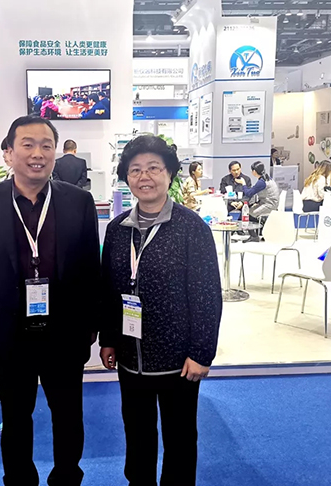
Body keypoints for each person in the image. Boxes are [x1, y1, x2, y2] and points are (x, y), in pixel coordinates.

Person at [0, 115, 101, 486]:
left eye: (46, 145)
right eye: (27, 145)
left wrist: (93, 325)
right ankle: (19, 479)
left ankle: (67, 477)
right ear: (8, 153)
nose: (38, 153)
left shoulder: (79, 201)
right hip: (9, 331)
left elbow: (91, 266)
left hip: (65, 331)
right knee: (15, 415)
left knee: (68, 414)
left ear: (55, 152)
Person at [99, 134, 222, 486]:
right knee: (137, 433)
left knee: (179, 437)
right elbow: (109, 290)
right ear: (126, 177)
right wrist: (109, 339)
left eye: (154, 168)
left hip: (178, 360)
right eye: (135, 170)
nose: (145, 177)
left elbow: (207, 295)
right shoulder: (117, 229)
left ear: (169, 174)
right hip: (130, 357)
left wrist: (202, 353)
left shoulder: (191, 228)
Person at [234, 161, 280, 242]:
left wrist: (243, 183)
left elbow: (248, 193)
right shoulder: (266, 178)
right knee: (250, 209)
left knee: (248, 214)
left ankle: (254, 236)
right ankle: (261, 231)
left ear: (254, 171)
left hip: (269, 204)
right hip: (269, 202)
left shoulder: (261, 182)